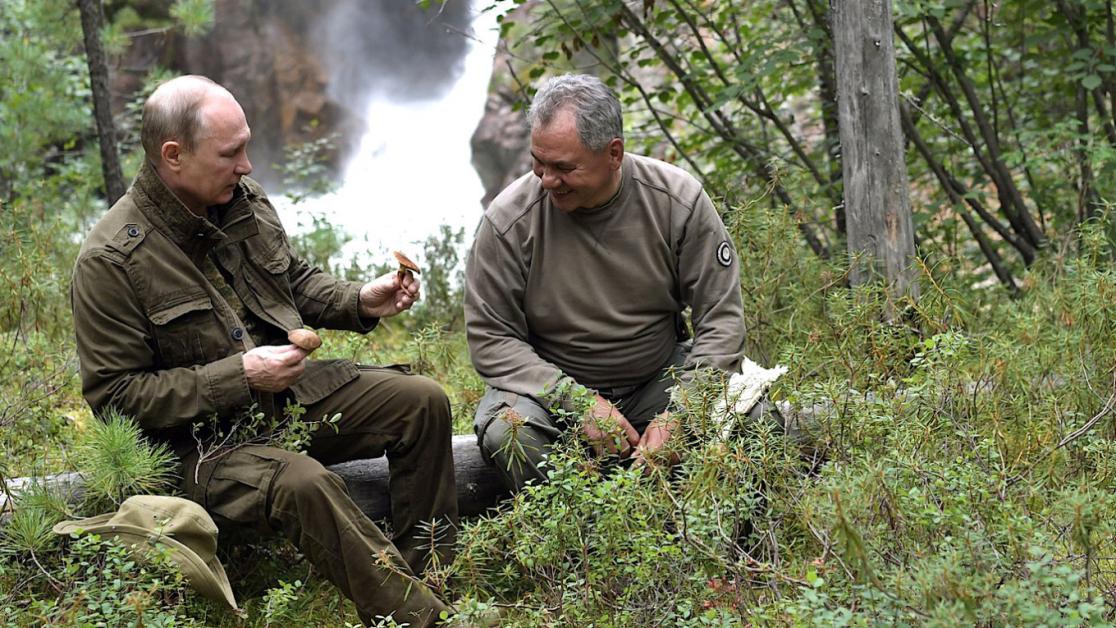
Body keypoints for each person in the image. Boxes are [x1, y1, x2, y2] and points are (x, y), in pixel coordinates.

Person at [71, 75, 455, 626]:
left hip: (282, 402)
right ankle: (423, 621)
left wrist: (359, 300)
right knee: (304, 483)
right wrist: (242, 375)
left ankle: (429, 580)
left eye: (246, 147)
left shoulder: (239, 198)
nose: (247, 165)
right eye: (231, 153)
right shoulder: (110, 260)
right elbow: (116, 397)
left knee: (421, 401)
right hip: (198, 449)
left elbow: (288, 280)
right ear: (173, 156)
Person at [465, 73, 747, 492]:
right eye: (538, 162)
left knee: (753, 418)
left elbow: (722, 321)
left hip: (657, 380)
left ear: (613, 153)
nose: (546, 180)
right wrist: (576, 402)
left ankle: (684, 519)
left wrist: (682, 414)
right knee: (508, 433)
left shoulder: (677, 202)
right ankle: (580, 525)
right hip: (551, 396)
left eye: (564, 167)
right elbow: (491, 338)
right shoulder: (508, 220)